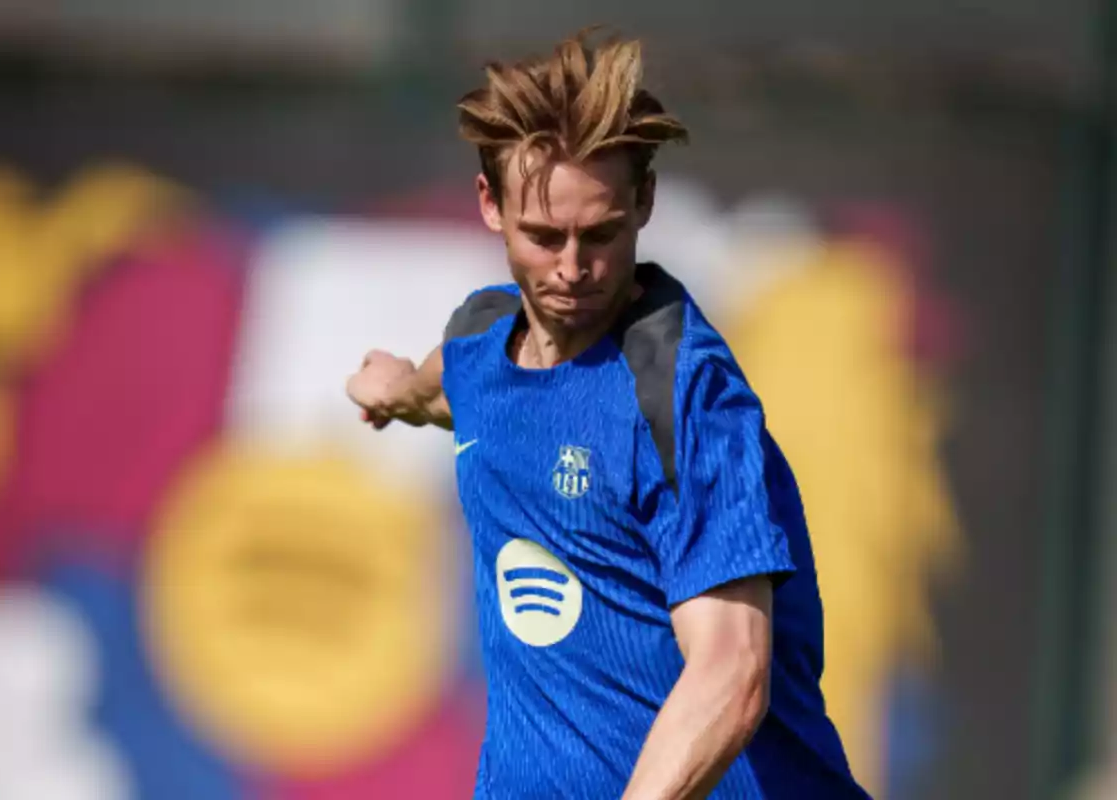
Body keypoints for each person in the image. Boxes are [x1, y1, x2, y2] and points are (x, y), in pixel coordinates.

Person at [346, 28, 871, 800]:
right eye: (543, 235)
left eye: (600, 234)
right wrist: (388, 388)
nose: (570, 268)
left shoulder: (683, 393)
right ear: (490, 206)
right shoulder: (479, 352)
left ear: (644, 203)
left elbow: (731, 669)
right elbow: (440, 390)